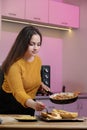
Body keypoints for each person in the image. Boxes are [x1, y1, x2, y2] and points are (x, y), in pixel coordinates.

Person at [0, 25, 50, 115]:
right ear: (23, 43)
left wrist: (40, 85)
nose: (36, 48)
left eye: (38, 44)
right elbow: (18, 92)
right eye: (32, 44)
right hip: (11, 105)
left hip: (29, 104)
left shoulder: (38, 60)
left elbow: (29, 77)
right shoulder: (14, 65)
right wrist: (34, 104)